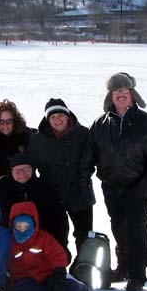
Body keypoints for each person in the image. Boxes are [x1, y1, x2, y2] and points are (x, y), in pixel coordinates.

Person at [80, 72, 147, 291]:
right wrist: (83, 177)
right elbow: (89, 155)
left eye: (124, 90)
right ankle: (123, 268)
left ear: (132, 93)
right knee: (119, 227)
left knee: (137, 228)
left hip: (138, 187)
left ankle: (138, 273)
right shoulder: (100, 124)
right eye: (116, 91)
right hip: (111, 187)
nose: (120, 94)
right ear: (110, 95)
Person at [8, 201, 108, 291]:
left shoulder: (43, 238)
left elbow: (57, 254)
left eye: (26, 226)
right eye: (19, 226)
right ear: (12, 225)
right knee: (27, 290)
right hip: (26, 280)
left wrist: (59, 270)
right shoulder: (10, 243)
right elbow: (5, 261)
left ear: (34, 224)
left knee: (65, 285)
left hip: (48, 275)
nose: (22, 230)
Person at [28, 98, 95, 259]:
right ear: (47, 119)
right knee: (55, 234)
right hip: (52, 195)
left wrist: (83, 182)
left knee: (84, 234)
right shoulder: (37, 140)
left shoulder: (83, 134)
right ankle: (58, 266)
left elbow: (91, 160)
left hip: (79, 192)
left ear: (68, 116)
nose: (57, 120)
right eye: (53, 117)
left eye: (60, 116)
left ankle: (84, 266)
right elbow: (30, 166)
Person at [0, 152, 70, 260]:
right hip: (13, 248)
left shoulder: (46, 189)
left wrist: (61, 247)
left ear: (33, 169)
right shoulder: (3, 193)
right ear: (11, 172)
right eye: (17, 170)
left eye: (26, 169)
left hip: (44, 245)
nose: (22, 174)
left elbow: (60, 221)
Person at [0, 99, 36, 177]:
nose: (5, 125)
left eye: (9, 121)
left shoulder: (24, 136)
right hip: (1, 184)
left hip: (25, 182)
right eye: (1, 121)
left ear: (14, 121)